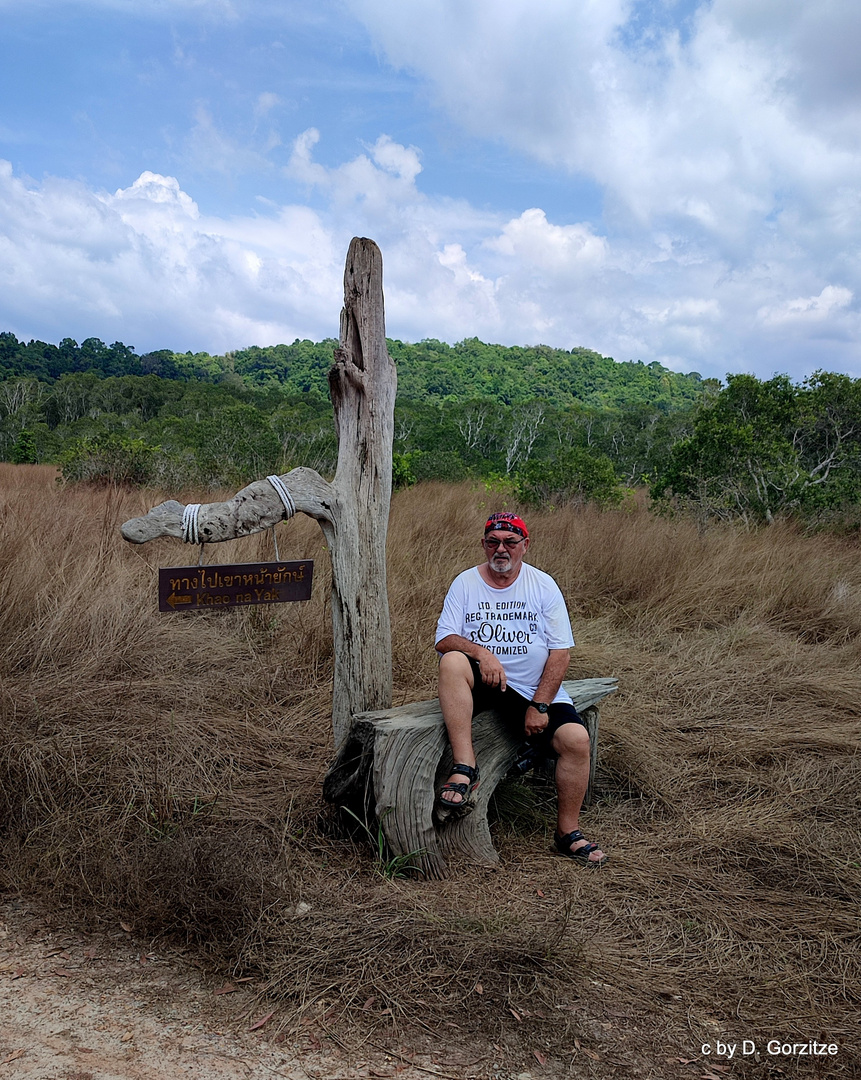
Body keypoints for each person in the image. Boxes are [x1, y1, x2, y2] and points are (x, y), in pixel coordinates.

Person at [434, 511, 607, 867]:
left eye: (510, 542)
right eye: (493, 542)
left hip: (532, 689)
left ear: (524, 546)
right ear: (483, 545)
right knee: (452, 661)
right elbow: (444, 638)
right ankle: (465, 766)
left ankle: (567, 832)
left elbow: (560, 653)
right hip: (486, 683)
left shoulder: (542, 585)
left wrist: (540, 705)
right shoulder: (465, 583)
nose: (501, 549)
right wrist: (482, 653)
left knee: (576, 741)